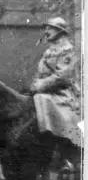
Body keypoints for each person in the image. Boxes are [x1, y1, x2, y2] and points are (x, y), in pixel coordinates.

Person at [31, 16, 81, 146]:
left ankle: (60, 144)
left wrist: (41, 85)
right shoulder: (49, 51)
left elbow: (63, 77)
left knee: (43, 99)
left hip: (63, 93)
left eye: (49, 28)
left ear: (59, 31)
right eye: (46, 28)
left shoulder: (68, 50)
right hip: (47, 91)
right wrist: (35, 83)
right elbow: (41, 72)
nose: (46, 31)